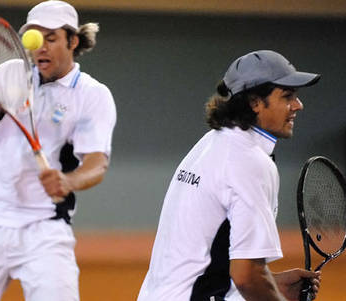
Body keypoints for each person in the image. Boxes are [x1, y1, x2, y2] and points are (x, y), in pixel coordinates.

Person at [0, 1, 116, 300]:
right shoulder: (13, 72)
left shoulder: (92, 95)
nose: (41, 47)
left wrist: (68, 181)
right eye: (35, 39)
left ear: (73, 40)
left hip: (43, 227)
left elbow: (96, 164)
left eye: (51, 38)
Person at [137, 50, 322, 301]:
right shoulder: (250, 161)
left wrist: (271, 283)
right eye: (287, 96)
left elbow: (210, 260)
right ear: (255, 102)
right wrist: (264, 285)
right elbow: (247, 276)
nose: (298, 105)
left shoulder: (213, 143)